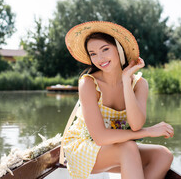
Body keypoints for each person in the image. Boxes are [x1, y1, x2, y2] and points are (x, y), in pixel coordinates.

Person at [61, 21, 174, 179]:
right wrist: (149, 131)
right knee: (128, 147)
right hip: (84, 147)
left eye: (105, 49)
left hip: (116, 147)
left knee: (163, 155)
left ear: (119, 48)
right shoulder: (88, 83)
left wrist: (126, 80)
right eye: (93, 53)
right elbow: (100, 137)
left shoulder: (139, 85)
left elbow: (135, 125)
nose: (99, 58)